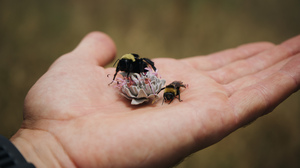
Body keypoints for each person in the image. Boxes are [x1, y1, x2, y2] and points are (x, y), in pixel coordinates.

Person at [2, 31, 300, 167]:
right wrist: (47, 150)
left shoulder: (147, 70)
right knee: (126, 65)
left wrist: (43, 153)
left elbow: (142, 63)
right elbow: (126, 65)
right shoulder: (128, 68)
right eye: (142, 70)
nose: (143, 70)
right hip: (127, 74)